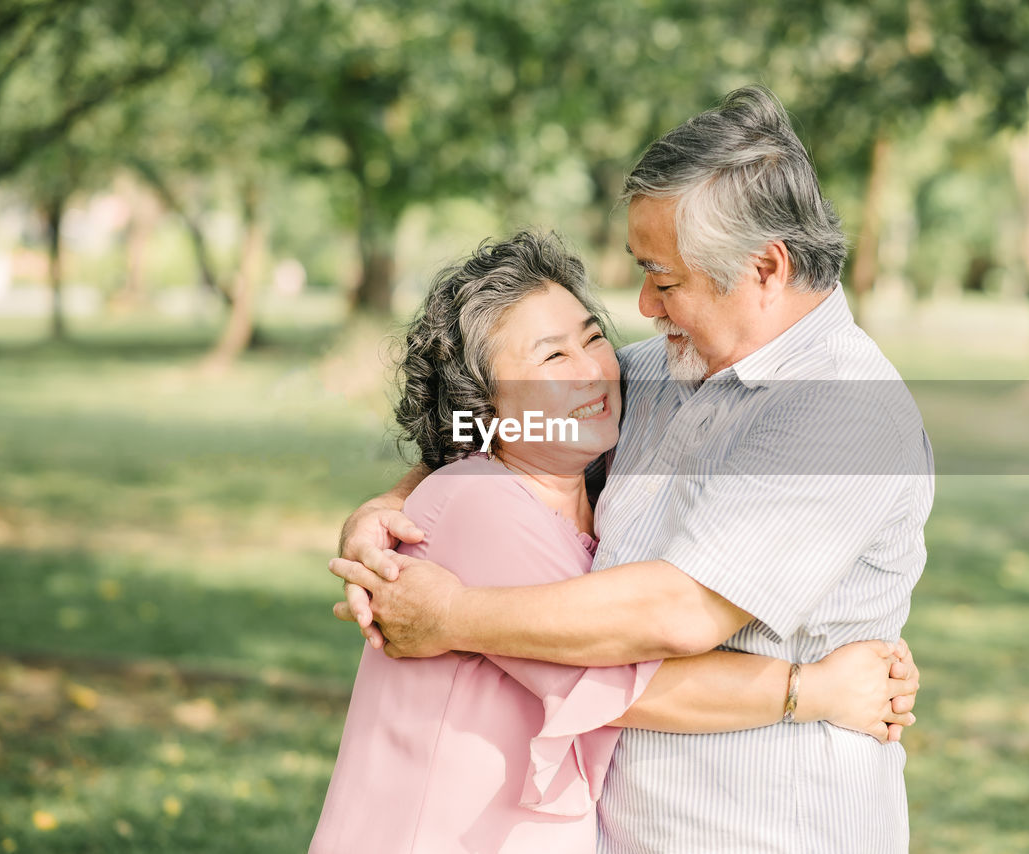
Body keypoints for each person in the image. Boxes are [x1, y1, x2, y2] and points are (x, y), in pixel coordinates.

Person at [332, 86, 933, 853]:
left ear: (766, 267)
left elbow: (678, 613)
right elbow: (495, 424)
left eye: (667, 278)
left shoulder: (845, 413)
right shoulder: (651, 373)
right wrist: (390, 505)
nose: (644, 304)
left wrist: (451, 619)